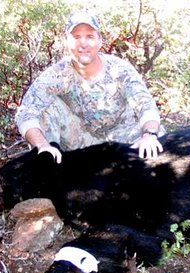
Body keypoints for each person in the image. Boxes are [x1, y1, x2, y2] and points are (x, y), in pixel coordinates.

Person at [15, 11, 166, 163]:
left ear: (100, 41)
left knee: (158, 136)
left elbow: (146, 106)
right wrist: (42, 145)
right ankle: (51, 164)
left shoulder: (120, 69)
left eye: (90, 36)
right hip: (80, 141)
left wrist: (149, 135)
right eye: (76, 37)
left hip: (123, 138)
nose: (83, 43)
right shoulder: (57, 74)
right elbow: (26, 113)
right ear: (67, 42)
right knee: (47, 108)